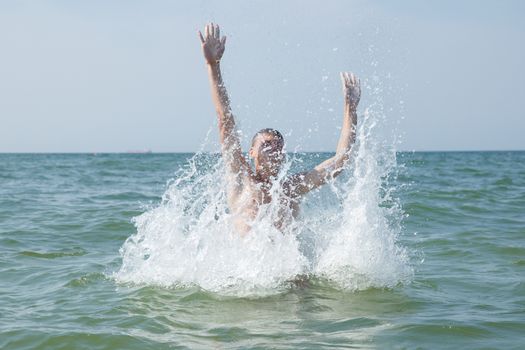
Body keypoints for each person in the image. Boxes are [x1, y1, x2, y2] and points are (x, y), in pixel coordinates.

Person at [198, 23, 361, 234]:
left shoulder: (292, 187)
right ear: (252, 152)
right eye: (266, 145)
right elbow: (225, 121)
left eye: (278, 147)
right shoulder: (240, 178)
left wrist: (351, 110)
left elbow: (340, 161)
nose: (273, 150)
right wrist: (213, 66)